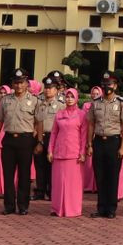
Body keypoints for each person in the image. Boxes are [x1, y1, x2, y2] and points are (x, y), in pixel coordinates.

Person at [0, 78, 41, 216]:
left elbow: (39, 122)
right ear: (12, 84)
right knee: (8, 175)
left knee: (24, 175)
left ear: (27, 84)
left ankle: (23, 205)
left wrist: (39, 141)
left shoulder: (35, 101)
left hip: (26, 140)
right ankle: (9, 206)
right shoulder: (5, 100)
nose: (19, 86)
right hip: (8, 140)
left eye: (22, 83)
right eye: (16, 83)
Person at [85, 85, 123, 218]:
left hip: (114, 142)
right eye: (105, 84)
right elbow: (91, 124)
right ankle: (101, 207)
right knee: (100, 176)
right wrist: (89, 144)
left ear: (115, 85)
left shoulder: (121, 103)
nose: (107, 87)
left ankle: (111, 208)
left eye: (110, 84)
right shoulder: (96, 103)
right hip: (98, 141)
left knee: (112, 177)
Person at [49, 88, 87, 218]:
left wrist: (83, 152)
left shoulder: (82, 115)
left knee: (73, 184)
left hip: (74, 154)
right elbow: (54, 133)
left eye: (72, 96)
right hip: (59, 152)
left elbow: (84, 135)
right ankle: (57, 208)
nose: (69, 99)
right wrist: (50, 150)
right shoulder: (59, 114)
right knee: (58, 183)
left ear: (76, 98)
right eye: (67, 96)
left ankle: (73, 209)